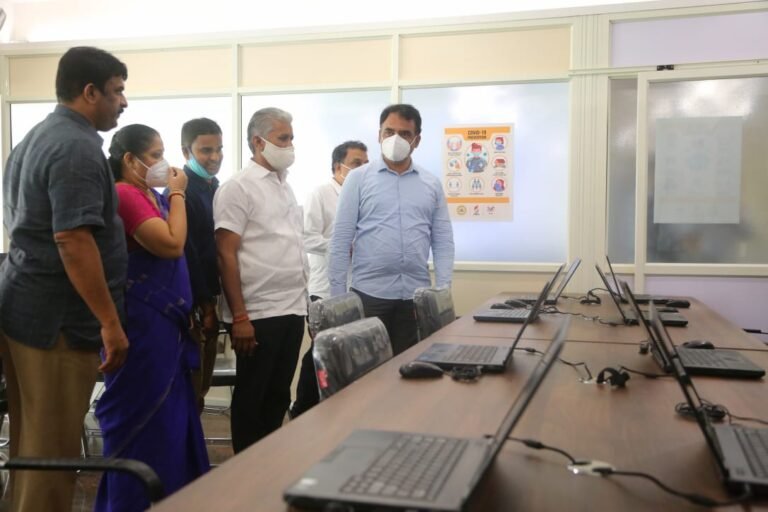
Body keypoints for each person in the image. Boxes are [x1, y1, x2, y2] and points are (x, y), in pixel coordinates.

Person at [0, 46, 129, 512]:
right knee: (51, 459)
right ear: (88, 92)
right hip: (55, 321)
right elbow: (72, 240)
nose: (123, 102)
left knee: (33, 450)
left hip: (28, 311)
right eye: (116, 92)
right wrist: (110, 323)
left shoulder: (38, 135)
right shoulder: (74, 146)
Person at [95, 124, 209, 512]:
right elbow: (171, 244)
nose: (165, 164)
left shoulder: (150, 195)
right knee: (146, 418)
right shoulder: (124, 194)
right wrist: (177, 192)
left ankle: (175, 497)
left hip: (169, 325)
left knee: (174, 418)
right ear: (130, 160)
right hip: (144, 324)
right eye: (156, 155)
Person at [214, 107, 307, 453]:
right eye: (283, 138)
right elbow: (225, 253)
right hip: (257, 313)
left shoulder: (285, 186)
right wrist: (239, 316)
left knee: (279, 393)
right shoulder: (238, 187)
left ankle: (268, 464)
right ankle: (245, 474)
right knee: (253, 396)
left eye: (291, 138)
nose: (290, 145)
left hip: (291, 307)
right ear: (258, 141)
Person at [328, 104, 455, 355]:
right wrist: (338, 301)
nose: (395, 139)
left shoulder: (431, 183)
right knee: (366, 376)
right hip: (369, 295)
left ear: (416, 140)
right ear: (379, 135)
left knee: (409, 372)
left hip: (415, 297)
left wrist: (443, 291)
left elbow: (442, 240)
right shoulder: (358, 178)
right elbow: (341, 240)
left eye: (405, 134)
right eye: (389, 132)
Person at [290, 140, 368, 419]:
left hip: (356, 287)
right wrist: (340, 246)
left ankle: (339, 411)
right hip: (324, 289)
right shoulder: (320, 194)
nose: (363, 168)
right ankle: (302, 409)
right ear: (338, 166)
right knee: (320, 351)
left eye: (366, 164)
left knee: (349, 351)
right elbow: (306, 237)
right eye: (357, 163)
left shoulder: (364, 194)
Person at [169, 117, 224, 413]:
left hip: (212, 297)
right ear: (186, 151)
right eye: (205, 150)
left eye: (219, 149)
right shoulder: (182, 193)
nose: (214, 157)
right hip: (194, 303)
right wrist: (206, 305)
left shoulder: (215, 186)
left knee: (202, 384)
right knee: (193, 384)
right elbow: (188, 253)